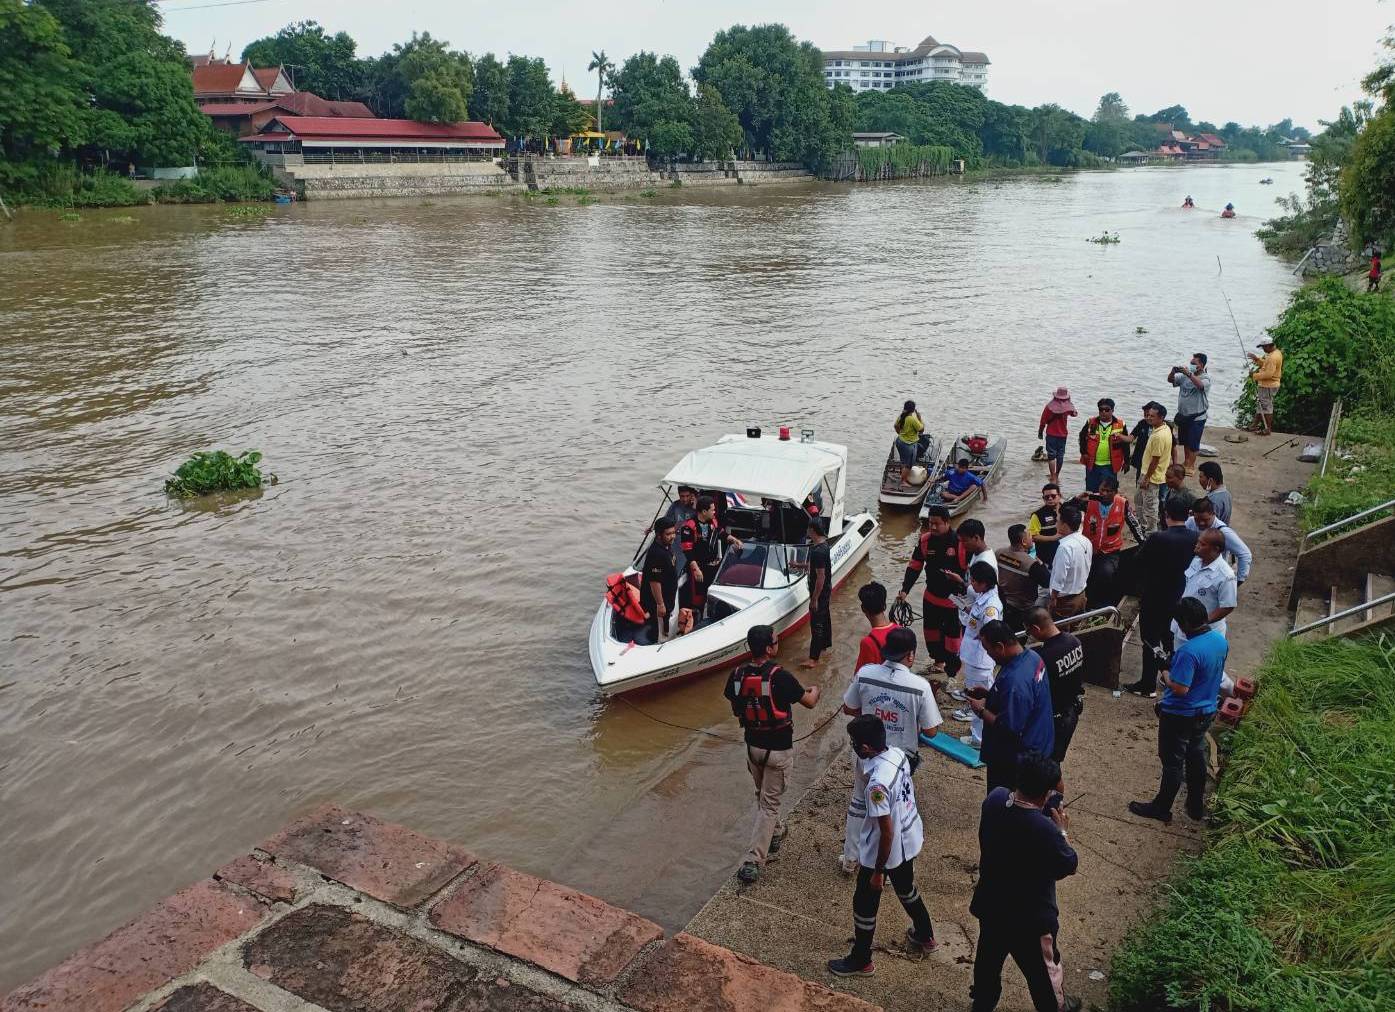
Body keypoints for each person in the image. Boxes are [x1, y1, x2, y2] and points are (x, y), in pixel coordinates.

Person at [827, 714, 938, 976]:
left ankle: (861, 959)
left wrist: (878, 872)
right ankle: (925, 934)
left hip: (885, 850)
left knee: (864, 903)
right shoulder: (898, 755)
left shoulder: (877, 786)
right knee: (906, 888)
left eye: (855, 742)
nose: (853, 746)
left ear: (865, 748)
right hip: (909, 837)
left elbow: (886, 832)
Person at [970, 751, 1080, 1012]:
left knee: (987, 965)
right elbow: (1069, 864)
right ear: (1046, 794)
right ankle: (1055, 1006)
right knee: (1043, 975)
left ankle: (982, 1004)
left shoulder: (995, 800)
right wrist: (1062, 831)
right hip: (1031, 920)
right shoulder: (1046, 831)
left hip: (992, 906)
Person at [840, 627, 942, 875]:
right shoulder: (920, 686)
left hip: (865, 753)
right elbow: (931, 731)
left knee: (859, 804)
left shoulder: (866, 674)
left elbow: (849, 708)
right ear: (911, 655)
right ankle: (885, 864)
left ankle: (851, 858)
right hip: (899, 759)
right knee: (892, 811)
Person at [725, 625, 821, 883]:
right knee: (769, 805)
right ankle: (753, 860)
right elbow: (809, 702)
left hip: (752, 748)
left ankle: (776, 832)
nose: (777, 644)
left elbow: (736, 709)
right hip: (778, 750)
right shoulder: (781, 677)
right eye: (775, 641)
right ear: (769, 648)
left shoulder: (736, 675)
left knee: (763, 795)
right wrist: (815, 689)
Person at [1128, 597, 1227, 824]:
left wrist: (1164, 670)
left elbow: (1180, 688)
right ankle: (1195, 806)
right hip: (1206, 710)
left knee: (1172, 762)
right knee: (1195, 755)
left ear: (1185, 623)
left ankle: (1161, 807)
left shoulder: (1189, 652)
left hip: (1181, 715)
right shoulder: (1219, 641)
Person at [1123, 497, 1198, 698]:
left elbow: (1138, 561)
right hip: (1178, 592)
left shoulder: (1158, 538)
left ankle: (1148, 683)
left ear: (1166, 515)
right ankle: (1172, 672)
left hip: (1155, 594)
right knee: (1169, 635)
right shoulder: (1194, 537)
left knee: (1150, 639)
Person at [970, 621, 1054, 793]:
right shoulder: (1032, 657)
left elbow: (1008, 727)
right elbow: (1024, 701)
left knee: (1003, 800)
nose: (988, 654)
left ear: (1000, 647)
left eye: (988, 650)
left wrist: (981, 710)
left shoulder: (1015, 682)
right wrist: (990, 695)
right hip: (1039, 742)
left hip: (1017, 759)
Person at [898, 505, 967, 678]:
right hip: (931, 598)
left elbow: (971, 574)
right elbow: (914, 566)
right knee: (931, 635)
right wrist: (905, 590)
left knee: (953, 640)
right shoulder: (925, 541)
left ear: (947, 522)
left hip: (954, 602)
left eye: (937, 523)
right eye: (930, 523)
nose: (933, 527)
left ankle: (952, 673)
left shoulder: (960, 543)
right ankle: (938, 664)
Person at [952, 562, 1004, 749]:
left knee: (978, 699)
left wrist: (979, 635)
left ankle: (979, 738)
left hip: (980, 659)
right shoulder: (983, 597)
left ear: (984, 583)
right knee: (979, 695)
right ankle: (981, 733)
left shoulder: (991, 606)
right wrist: (964, 608)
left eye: (974, 581)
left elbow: (991, 630)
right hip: (974, 657)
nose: (971, 583)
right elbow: (977, 619)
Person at [1023, 609, 1084, 765]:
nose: (1030, 635)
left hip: (1053, 719)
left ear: (1036, 628)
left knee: (1044, 766)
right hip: (1071, 711)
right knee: (1054, 764)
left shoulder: (1044, 657)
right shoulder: (1074, 641)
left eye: (1029, 632)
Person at [1077, 474, 1145, 607]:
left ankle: (1102, 604)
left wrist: (1143, 544)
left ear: (1115, 492)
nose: (1104, 493)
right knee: (1083, 575)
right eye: (1102, 490)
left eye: (1108, 491)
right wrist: (1077, 498)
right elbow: (1065, 509)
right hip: (1088, 549)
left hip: (1110, 551)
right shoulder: (1090, 501)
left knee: (1106, 573)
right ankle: (1086, 602)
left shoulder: (1122, 504)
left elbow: (1134, 524)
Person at [678, 496, 743, 618]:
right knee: (698, 598)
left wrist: (734, 539)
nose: (714, 512)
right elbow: (687, 550)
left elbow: (721, 533)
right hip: (698, 569)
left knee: (712, 594)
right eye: (712, 510)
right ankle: (695, 619)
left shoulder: (713, 521)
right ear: (704, 511)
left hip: (712, 567)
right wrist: (696, 569)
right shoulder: (689, 526)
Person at [1172, 528, 1237, 643]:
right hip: (1181, 629)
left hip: (1204, 634)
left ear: (1215, 549)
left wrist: (1202, 623)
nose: (1197, 546)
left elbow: (1227, 606)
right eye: (1198, 542)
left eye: (1202, 544)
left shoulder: (1226, 575)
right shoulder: (1195, 562)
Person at [1186, 497, 1252, 585]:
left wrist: (1238, 581)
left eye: (1205, 520)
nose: (1201, 523)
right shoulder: (1190, 522)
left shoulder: (1224, 532)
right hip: (1194, 574)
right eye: (1197, 520)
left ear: (1213, 514)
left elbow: (1245, 554)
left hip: (1214, 579)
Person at [998, 525, 1051, 631]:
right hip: (1023, 609)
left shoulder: (999, 553)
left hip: (1002, 603)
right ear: (1024, 541)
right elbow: (1047, 582)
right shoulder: (1031, 563)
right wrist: (1041, 563)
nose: (1032, 539)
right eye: (1030, 536)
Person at [1132, 402, 1173, 533]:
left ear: (1161, 417)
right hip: (1149, 473)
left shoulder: (1159, 436)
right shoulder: (1165, 428)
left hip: (1152, 476)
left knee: (1150, 506)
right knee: (1138, 500)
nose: (1149, 418)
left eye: (1152, 416)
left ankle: (1151, 532)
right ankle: (1143, 526)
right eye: (1148, 415)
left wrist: (1146, 478)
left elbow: (1155, 460)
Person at [1168, 353, 1211, 474]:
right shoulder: (1184, 376)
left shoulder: (1205, 378)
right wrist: (1173, 372)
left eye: (1194, 363)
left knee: (1193, 443)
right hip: (1184, 416)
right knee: (1185, 441)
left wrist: (1189, 374)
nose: (1191, 365)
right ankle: (1186, 462)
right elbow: (1171, 380)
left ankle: (1191, 466)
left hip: (1197, 417)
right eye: (1190, 363)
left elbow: (1200, 386)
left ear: (1201, 365)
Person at [1048, 505, 1091, 619]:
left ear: (1065, 525)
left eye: (1057, 521)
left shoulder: (1065, 547)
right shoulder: (1086, 541)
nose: (1056, 524)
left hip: (1065, 602)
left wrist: (1053, 599)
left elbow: (1059, 577)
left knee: (1062, 627)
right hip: (1081, 595)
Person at [1076, 398, 1129, 492]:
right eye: (1101, 409)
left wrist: (1127, 461)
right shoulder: (1090, 422)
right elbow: (1082, 437)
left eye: (1107, 410)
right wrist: (1083, 452)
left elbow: (1125, 444)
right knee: (1091, 491)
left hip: (1110, 465)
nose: (1103, 412)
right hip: (1092, 464)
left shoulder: (1121, 425)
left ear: (1112, 410)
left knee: (1108, 491)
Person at [942, 518, 997, 607]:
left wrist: (960, 581)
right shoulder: (976, 553)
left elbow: (984, 593)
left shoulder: (985, 562)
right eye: (960, 541)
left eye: (965, 541)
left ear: (976, 538)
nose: (962, 545)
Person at [641, 519, 679, 642]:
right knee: (659, 631)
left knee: (665, 623)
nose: (672, 536)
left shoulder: (666, 545)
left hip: (668, 596)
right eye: (668, 534)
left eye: (674, 532)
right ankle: (658, 643)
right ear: (659, 535)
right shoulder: (656, 554)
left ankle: (666, 632)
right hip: (657, 602)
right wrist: (660, 604)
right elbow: (654, 582)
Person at [803, 518, 833, 669]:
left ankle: (813, 659)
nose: (807, 531)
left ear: (812, 530)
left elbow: (821, 577)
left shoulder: (818, 552)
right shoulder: (823, 545)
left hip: (819, 591)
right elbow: (817, 567)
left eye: (808, 529)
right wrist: (800, 565)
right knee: (825, 617)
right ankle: (825, 645)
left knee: (816, 624)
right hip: (826, 590)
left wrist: (814, 599)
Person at [853, 581, 897, 674]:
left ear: (863, 608)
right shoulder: (902, 631)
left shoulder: (868, 642)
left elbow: (859, 675)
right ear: (884, 606)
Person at [1037, 387, 1077, 484]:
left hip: (1051, 434)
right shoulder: (1067, 407)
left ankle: (1052, 475)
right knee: (1060, 455)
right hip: (1063, 435)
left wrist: (1040, 432)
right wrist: (1069, 403)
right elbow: (1074, 414)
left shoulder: (1049, 407)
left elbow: (1043, 421)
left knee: (1051, 456)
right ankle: (1057, 475)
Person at [1247, 337, 1284, 435]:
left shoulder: (1272, 357)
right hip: (1268, 385)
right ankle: (1254, 426)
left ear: (1268, 346)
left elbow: (1268, 374)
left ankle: (1268, 429)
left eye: (1263, 347)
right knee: (1261, 405)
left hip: (1268, 385)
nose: (1263, 349)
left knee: (1266, 407)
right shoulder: (1276, 353)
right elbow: (1267, 365)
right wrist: (1257, 359)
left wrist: (1254, 376)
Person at [605, 571, 649, 642]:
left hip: (629, 623)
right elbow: (638, 606)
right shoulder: (629, 591)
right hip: (639, 623)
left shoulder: (614, 596)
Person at [1027, 484, 1063, 568]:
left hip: (1065, 554)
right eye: (1047, 497)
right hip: (1046, 558)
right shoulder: (1037, 515)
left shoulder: (1067, 510)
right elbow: (1033, 536)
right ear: (1043, 498)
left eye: (1053, 496)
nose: (1050, 498)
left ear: (1059, 496)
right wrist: (1054, 538)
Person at [893, 400, 928, 487]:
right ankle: (903, 481)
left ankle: (902, 476)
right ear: (913, 410)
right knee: (908, 465)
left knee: (903, 461)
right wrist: (919, 418)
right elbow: (921, 430)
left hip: (899, 441)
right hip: (908, 445)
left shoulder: (901, 416)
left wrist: (900, 433)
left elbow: (896, 426)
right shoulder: (911, 419)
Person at [1158, 463, 1196, 529]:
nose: (1166, 480)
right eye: (1166, 476)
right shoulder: (1171, 490)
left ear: (1181, 477)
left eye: (1169, 477)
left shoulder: (1189, 496)